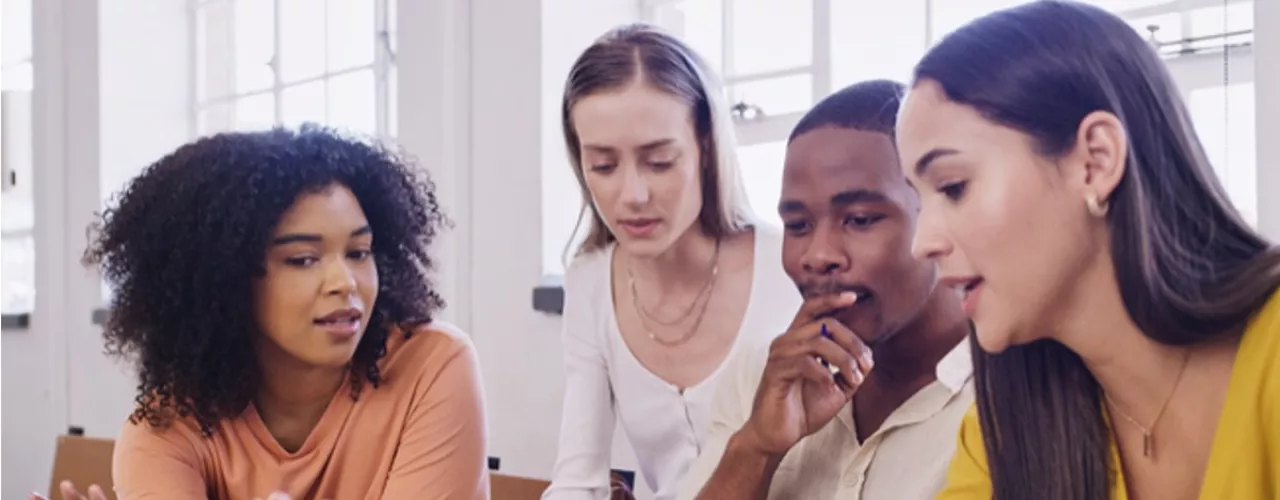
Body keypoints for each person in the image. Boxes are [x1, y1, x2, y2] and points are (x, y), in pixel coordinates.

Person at [895, 2, 1280, 499]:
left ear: (1095, 162)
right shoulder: (1004, 437)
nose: (922, 243)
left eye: (952, 187)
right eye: (918, 201)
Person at [52, 126, 489, 500]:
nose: (345, 282)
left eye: (359, 252)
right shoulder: (166, 432)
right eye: (302, 259)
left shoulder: (432, 366)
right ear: (224, 279)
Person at [678, 79, 974, 499]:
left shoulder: (1013, 401)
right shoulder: (760, 375)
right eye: (797, 226)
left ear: (941, 216)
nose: (817, 256)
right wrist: (757, 448)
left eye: (859, 219)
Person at [542, 24, 801, 500]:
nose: (632, 195)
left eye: (659, 161)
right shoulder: (592, 281)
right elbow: (577, 480)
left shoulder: (789, 266)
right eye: (603, 165)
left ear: (705, 146)